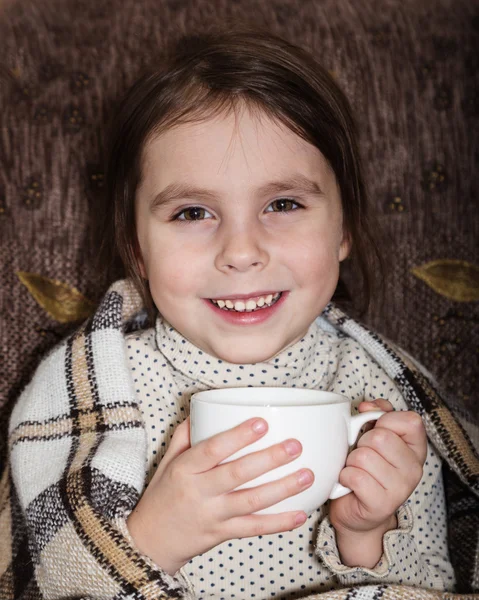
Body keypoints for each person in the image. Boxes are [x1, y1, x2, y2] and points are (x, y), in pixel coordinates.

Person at [3, 28, 464, 600]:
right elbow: (42, 584)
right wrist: (151, 540)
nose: (242, 252)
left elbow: (433, 585)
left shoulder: (385, 399)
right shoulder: (86, 391)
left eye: (283, 204)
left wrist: (366, 534)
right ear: (137, 246)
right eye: (194, 211)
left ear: (344, 228)